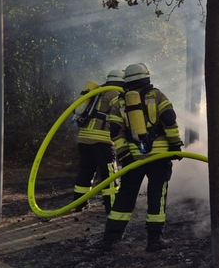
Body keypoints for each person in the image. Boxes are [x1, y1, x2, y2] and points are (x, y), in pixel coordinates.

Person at [102, 63, 184, 252]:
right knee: (157, 196)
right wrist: (175, 145)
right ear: (146, 76)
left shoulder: (120, 103)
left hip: (132, 158)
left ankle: (111, 239)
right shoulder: (157, 96)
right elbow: (169, 119)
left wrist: (123, 153)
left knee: (125, 196)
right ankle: (154, 241)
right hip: (159, 157)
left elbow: (115, 130)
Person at [72, 70, 125, 214]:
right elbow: (121, 112)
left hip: (84, 139)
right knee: (109, 175)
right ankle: (112, 206)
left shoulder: (97, 91)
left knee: (85, 172)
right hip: (102, 141)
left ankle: (79, 204)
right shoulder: (114, 93)